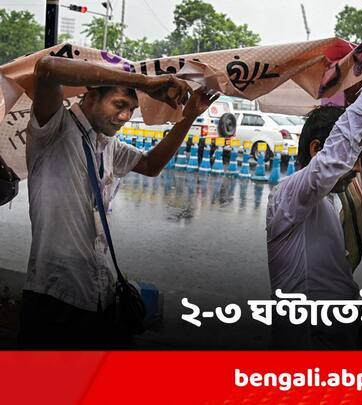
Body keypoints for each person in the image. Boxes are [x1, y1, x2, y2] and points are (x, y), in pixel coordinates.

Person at [19, 56, 218, 348]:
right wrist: (143, 82)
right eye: (119, 105)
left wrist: (188, 117)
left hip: (99, 294)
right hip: (56, 295)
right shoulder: (55, 129)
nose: (125, 117)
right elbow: (47, 69)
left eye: (131, 109)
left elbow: (151, 165)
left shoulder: (107, 144)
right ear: (91, 94)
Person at [265, 34, 362, 302]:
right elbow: (334, 157)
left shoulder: (330, 200)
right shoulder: (288, 196)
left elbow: (335, 282)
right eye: (352, 160)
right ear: (316, 150)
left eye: (359, 161)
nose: (357, 171)